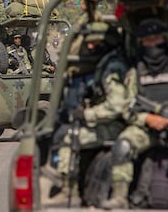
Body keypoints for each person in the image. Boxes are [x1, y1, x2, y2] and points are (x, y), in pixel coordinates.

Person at [102, 19, 168, 209]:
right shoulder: (135, 71)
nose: (153, 45)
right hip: (146, 129)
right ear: (141, 44)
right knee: (123, 145)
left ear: (165, 40)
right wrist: (147, 118)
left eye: (157, 39)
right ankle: (119, 197)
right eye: (148, 41)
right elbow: (127, 107)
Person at [45, 22, 129, 207]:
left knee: (70, 138)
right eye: (88, 42)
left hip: (120, 123)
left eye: (95, 42)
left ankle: (69, 189)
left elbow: (116, 105)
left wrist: (88, 115)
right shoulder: (105, 61)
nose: (90, 47)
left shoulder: (113, 64)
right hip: (117, 120)